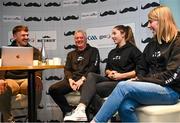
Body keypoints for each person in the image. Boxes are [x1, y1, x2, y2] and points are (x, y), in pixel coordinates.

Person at [91, 6, 180, 122]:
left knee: (123, 86)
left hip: (170, 91)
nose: (148, 26)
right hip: (153, 87)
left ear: (161, 20)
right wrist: (140, 78)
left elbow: (171, 76)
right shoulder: (152, 44)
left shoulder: (177, 42)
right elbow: (141, 67)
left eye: (150, 21)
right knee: (124, 106)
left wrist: (142, 80)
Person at [64, 25, 146, 121]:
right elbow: (107, 69)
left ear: (123, 34)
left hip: (123, 82)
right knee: (90, 76)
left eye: (114, 33)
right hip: (110, 79)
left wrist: (121, 75)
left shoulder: (133, 50)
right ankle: (82, 109)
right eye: (112, 34)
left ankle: (104, 112)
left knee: (90, 88)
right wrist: (110, 72)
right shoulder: (112, 52)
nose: (112, 36)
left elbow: (140, 70)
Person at [48, 29, 100, 121]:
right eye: (77, 38)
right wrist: (70, 80)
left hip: (86, 80)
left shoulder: (94, 51)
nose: (79, 40)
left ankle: (90, 118)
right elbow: (67, 69)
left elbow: (93, 68)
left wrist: (82, 80)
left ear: (86, 39)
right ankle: (69, 111)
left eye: (81, 37)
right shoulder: (71, 54)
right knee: (53, 89)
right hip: (72, 80)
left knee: (90, 94)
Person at [0, 25, 43, 122]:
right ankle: (9, 120)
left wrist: (38, 77)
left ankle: (31, 117)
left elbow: (38, 67)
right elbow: (1, 67)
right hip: (11, 80)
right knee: (2, 87)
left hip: (27, 80)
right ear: (15, 36)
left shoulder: (34, 51)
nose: (26, 37)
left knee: (37, 85)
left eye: (27, 35)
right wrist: (1, 79)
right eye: (23, 35)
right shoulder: (5, 50)